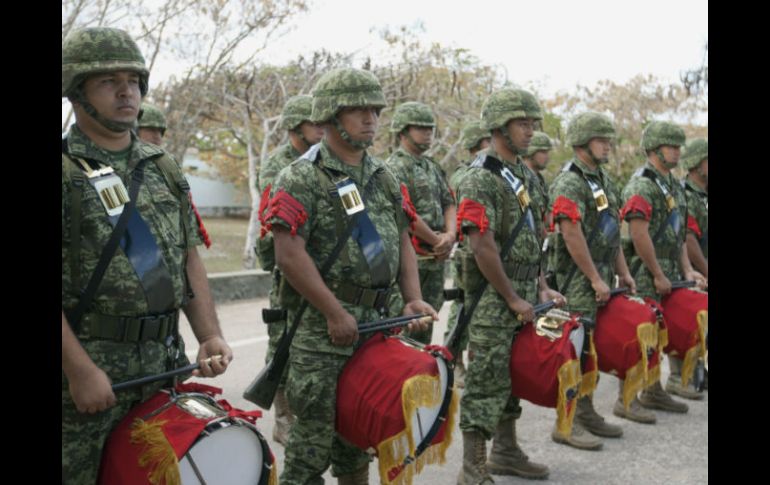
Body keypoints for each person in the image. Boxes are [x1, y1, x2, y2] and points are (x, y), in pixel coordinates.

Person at [61, 27, 232, 484]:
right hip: (89, 370)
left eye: (133, 80)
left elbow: (186, 256)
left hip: (162, 365)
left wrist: (208, 334)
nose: (125, 91)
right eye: (107, 81)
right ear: (77, 92)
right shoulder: (64, 171)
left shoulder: (162, 167)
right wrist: (80, 372)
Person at [265, 67, 436, 485]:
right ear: (330, 117)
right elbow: (288, 253)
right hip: (323, 332)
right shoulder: (300, 176)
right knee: (310, 449)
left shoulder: (384, 176)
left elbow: (401, 239)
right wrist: (333, 312)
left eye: (375, 111)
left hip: (376, 325)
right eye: (358, 110)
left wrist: (411, 297)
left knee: (357, 439)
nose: (370, 119)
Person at [455, 88, 565, 483]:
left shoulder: (526, 177)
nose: (531, 131)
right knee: (485, 383)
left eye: (533, 124)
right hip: (491, 298)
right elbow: (482, 247)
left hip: (521, 296)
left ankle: (505, 451)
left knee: (511, 378)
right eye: (523, 124)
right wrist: (513, 297)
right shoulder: (479, 178)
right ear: (500, 127)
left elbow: (533, 240)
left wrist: (540, 289)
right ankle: (473, 469)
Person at [547, 112, 634, 448]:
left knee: (591, 350)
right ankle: (565, 423)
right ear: (583, 142)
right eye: (602, 139)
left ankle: (586, 411)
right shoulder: (570, 181)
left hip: (600, 276)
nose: (608, 145)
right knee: (574, 351)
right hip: (578, 281)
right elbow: (572, 234)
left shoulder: (603, 180)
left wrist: (623, 271)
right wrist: (596, 279)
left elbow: (611, 233)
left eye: (609, 139)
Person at [618, 121, 707, 421]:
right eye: (672, 146)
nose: (678, 152)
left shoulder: (671, 184)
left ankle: (654, 389)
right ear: (655, 149)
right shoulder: (642, 184)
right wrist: (656, 273)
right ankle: (627, 398)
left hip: (671, 268)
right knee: (639, 332)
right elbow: (638, 233)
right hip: (646, 269)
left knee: (659, 331)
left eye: (679, 146)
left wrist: (686, 270)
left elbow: (679, 232)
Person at [256, 94, 324, 446]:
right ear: (296, 127)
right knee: (281, 341)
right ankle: (283, 418)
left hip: (318, 265)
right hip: (288, 264)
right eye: (314, 124)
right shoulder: (279, 166)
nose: (321, 129)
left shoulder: (322, 160)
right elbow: (274, 222)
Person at [386, 101, 456, 344]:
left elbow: (449, 201)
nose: (428, 133)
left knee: (428, 322)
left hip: (435, 260)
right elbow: (404, 213)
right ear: (403, 131)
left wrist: (450, 235)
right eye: (421, 128)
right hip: (411, 262)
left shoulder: (432, 166)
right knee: (405, 328)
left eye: (430, 129)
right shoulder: (394, 167)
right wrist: (437, 239)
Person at [445, 120, 492, 387]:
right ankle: (453, 360)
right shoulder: (466, 175)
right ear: (478, 145)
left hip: (482, 250)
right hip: (468, 251)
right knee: (463, 307)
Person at [670, 137, 708, 397]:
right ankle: (679, 375)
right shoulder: (686, 194)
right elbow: (690, 237)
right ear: (696, 165)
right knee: (686, 323)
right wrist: (704, 270)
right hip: (694, 269)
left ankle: (697, 371)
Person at [522, 130, 554, 239]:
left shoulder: (539, 180)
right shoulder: (521, 179)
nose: (547, 157)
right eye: (543, 152)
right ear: (530, 152)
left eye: (547, 152)